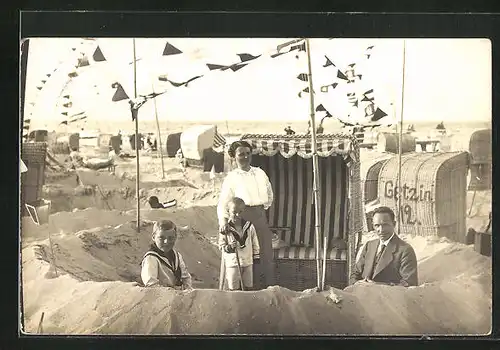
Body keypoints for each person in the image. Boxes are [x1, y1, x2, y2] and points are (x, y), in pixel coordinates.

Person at [217, 140, 275, 288]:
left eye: (248, 153)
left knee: (264, 255)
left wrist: (260, 211)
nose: (245, 157)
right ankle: (244, 292)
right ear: (234, 157)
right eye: (241, 154)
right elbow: (224, 202)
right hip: (242, 220)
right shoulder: (232, 177)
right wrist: (224, 222)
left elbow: (269, 195)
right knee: (244, 258)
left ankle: (264, 290)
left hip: (260, 218)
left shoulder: (260, 173)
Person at [350, 206, 418, 287]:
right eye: (377, 225)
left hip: (387, 298)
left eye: (385, 225)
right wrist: (357, 283)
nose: (381, 230)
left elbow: (409, 283)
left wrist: (378, 286)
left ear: (394, 224)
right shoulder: (369, 245)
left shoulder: (405, 250)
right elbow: (355, 275)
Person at [219, 197, 260, 291]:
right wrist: (229, 247)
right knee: (234, 290)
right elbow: (221, 246)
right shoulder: (225, 229)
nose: (237, 215)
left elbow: (255, 243)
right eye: (234, 212)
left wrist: (256, 258)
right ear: (228, 211)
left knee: (248, 288)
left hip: (248, 262)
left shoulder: (249, 226)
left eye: (240, 212)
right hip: (233, 263)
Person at [141, 220, 192, 289]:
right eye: (161, 238)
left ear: (175, 237)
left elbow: (186, 278)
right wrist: (173, 291)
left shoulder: (177, 256)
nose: (166, 242)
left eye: (171, 238)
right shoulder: (151, 258)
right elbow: (151, 284)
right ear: (153, 237)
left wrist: (187, 289)